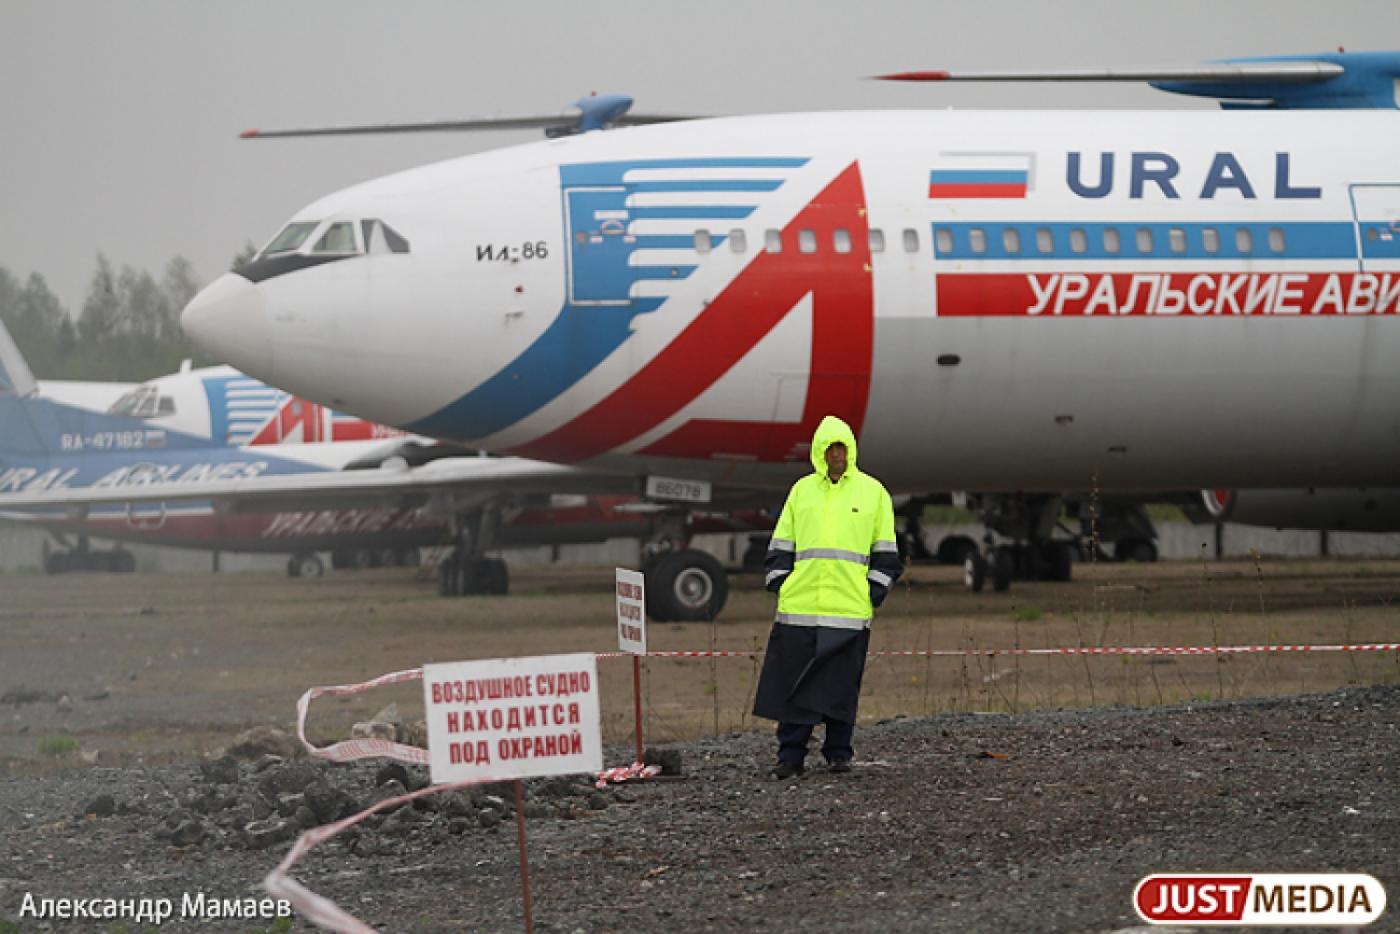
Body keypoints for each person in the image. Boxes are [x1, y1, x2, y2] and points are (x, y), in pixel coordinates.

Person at [752, 415, 903, 778]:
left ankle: (839, 754)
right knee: (793, 686)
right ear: (820, 452)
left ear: (850, 450)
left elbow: (887, 554)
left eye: (842, 447)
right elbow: (780, 546)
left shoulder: (873, 493)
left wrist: (872, 595)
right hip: (799, 609)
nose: (837, 454)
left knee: (840, 688)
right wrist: (781, 584)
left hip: (849, 611)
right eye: (830, 448)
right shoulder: (801, 491)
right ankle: (790, 757)